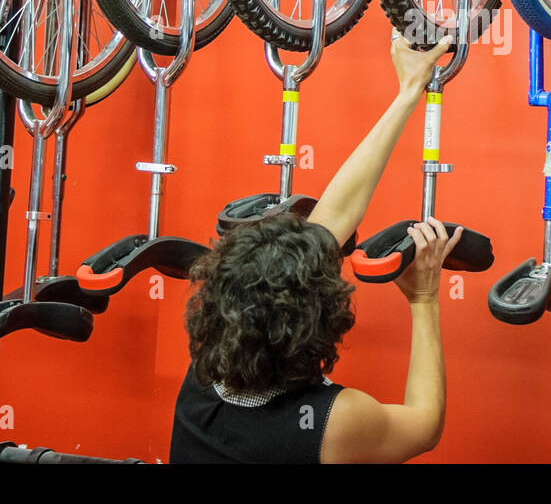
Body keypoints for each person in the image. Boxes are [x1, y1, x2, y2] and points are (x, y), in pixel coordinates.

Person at [169, 32, 463, 464]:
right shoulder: (335, 421)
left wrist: (407, 93)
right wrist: (424, 298)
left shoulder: (202, 382)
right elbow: (424, 423)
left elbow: (332, 221)